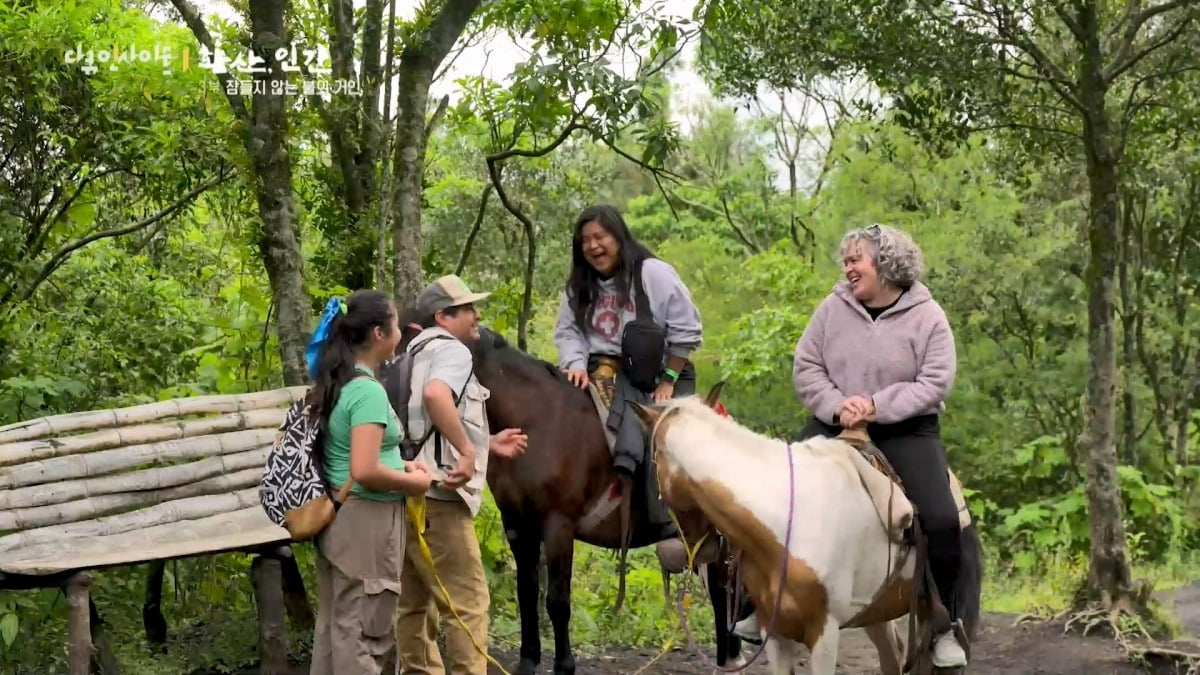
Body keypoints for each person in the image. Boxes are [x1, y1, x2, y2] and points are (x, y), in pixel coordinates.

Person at [735, 223, 966, 668]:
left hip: (906, 430)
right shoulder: (832, 307)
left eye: (856, 259)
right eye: (846, 260)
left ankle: (943, 626)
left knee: (940, 517)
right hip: (832, 424)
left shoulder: (928, 315)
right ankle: (755, 605)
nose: (848, 267)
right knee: (772, 496)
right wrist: (840, 406)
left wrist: (876, 406)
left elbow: (936, 380)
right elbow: (807, 367)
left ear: (886, 263)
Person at [394, 274, 528, 675]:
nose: (477, 315)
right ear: (443, 315)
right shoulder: (453, 352)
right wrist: (469, 452)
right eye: (469, 308)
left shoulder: (407, 352)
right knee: (469, 604)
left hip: (404, 491)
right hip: (440, 499)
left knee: (413, 605)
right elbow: (437, 397)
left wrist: (485, 440)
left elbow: (423, 420)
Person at [553, 203, 703, 543]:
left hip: (654, 371)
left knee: (668, 437)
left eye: (600, 237)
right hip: (598, 370)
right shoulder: (579, 284)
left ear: (618, 235)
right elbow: (568, 331)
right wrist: (574, 363)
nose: (593, 246)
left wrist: (668, 380)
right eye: (585, 240)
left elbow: (685, 329)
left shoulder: (654, 274)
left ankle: (677, 521)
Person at [306, 290, 435, 675]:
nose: (402, 329)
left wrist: (402, 466)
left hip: (339, 521)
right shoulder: (368, 393)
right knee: (365, 631)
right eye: (396, 323)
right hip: (368, 522)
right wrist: (413, 484)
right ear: (379, 333)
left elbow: (358, 455)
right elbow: (363, 469)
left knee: (337, 628)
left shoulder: (339, 384)